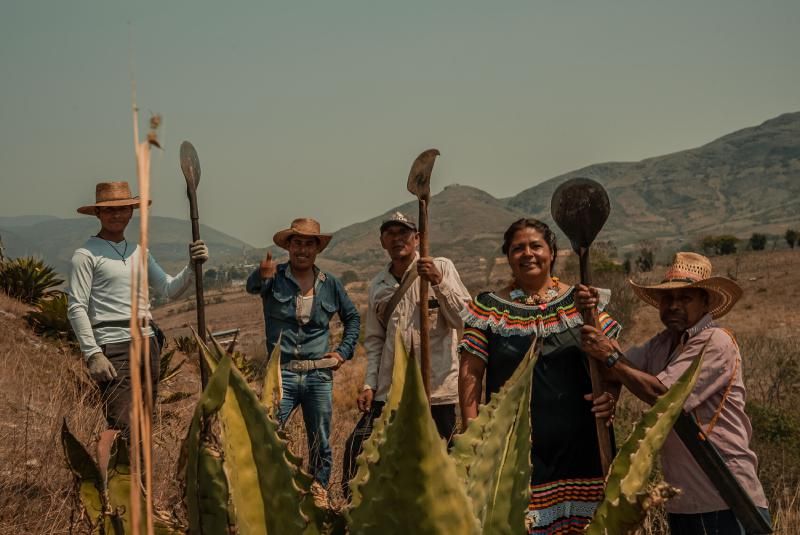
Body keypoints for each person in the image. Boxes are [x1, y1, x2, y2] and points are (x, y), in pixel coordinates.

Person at [578, 252, 769, 534]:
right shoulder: (663, 343)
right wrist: (593, 317)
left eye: (686, 298)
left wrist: (609, 357)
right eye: (668, 299)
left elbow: (663, 396)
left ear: (706, 302)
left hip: (726, 497)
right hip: (684, 503)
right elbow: (615, 369)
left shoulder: (715, 342)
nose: (674, 306)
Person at [458, 218, 620, 534]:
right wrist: (473, 439)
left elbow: (613, 362)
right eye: (518, 248)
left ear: (552, 253)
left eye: (536, 246)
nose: (528, 254)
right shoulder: (487, 309)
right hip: (514, 453)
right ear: (508, 256)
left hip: (583, 446)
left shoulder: (583, 301)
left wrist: (612, 396)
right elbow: (470, 375)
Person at [341, 211, 471, 497]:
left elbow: (465, 319)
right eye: (391, 233)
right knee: (358, 452)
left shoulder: (441, 267)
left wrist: (438, 282)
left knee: (441, 462)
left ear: (418, 237)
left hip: (436, 389)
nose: (397, 239)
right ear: (382, 241)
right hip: (391, 391)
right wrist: (369, 384)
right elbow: (375, 341)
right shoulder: (378, 285)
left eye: (404, 233)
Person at [67, 181, 208, 434]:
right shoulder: (86, 255)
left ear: (131, 212)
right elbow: (76, 307)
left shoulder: (139, 252)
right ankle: (121, 473)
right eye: (109, 210)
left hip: (147, 342)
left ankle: (141, 474)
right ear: (98, 213)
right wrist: (93, 354)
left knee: (145, 423)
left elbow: (168, 288)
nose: (117, 215)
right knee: (122, 425)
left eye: (122, 209)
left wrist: (192, 265)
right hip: (113, 346)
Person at [246, 217, 360, 494]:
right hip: (280, 373)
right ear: (289, 246)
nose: (303, 250)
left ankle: (318, 498)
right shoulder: (274, 277)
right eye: (297, 243)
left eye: (309, 244)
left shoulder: (329, 283)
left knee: (320, 442)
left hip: (318, 375)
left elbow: (353, 318)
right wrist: (262, 275)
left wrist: (343, 353)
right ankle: (271, 494)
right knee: (268, 435)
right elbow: (252, 287)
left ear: (317, 249)